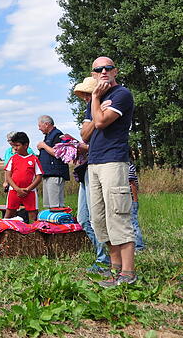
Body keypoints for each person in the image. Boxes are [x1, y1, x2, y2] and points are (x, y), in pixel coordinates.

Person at [80, 56, 136, 287]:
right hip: (94, 163)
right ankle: (114, 269)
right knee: (99, 219)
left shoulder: (122, 95)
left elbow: (101, 122)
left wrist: (95, 101)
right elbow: (84, 134)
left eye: (107, 68)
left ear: (115, 71)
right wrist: (96, 106)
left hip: (113, 161)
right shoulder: (95, 101)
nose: (103, 71)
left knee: (118, 215)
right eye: (98, 69)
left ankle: (128, 273)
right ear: (93, 74)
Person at [73, 77, 111, 272]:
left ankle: (105, 259)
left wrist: (82, 145)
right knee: (83, 218)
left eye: (89, 94)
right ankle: (103, 255)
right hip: (86, 167)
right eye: (85, 95)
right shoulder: (91, 109)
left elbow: (86, 134)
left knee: (97, 216)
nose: (86, 98)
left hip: (98, 165)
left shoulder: (103, 108)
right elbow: (85, 133)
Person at [3, 132, 41, 223]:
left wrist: (28, 189)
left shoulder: (34, 159)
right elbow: (8, 175)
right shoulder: (13, 159)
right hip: (14, 191)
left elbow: (39, 176)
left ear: (26, 145)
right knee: (9, 214)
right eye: (14, 146)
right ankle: (4, 233)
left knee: (33, 216)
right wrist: (17, 189)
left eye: (17, 145)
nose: (15, 148)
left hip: (30, 192)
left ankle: (34, 235)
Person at [36, 115, 70, 208]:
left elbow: (57, 153)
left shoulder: (58, 135)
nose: (39, 128)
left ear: (46, 124)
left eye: (40, 126)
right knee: (49, 205)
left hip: (55, 174)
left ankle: (59, 221)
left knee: (56, 205)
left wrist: (44, 146)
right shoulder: (48, 136)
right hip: (48, 174)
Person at [128, 159, 145, 251]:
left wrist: (134, 200)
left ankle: (139, 246)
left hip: (131, 200)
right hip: (128, 200)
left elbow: (132, 184)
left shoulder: (128, 166)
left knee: (133, 223)